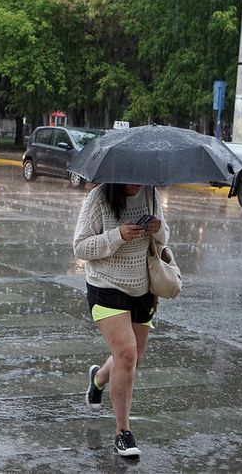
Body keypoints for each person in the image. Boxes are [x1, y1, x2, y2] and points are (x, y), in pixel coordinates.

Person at [73, 183, 169, 457]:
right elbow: (80, 247)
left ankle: (99, 378)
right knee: (126, 354)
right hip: (105, 286)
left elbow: (166, 237)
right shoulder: (99, 197)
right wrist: (117, 236)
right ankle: (122, 431)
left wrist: (157, 227)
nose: (136, 182)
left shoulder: (151, 193)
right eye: (130, 177)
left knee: (131, 357)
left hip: (143, 287)